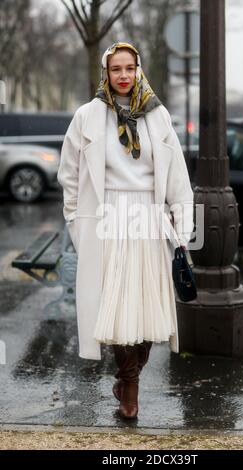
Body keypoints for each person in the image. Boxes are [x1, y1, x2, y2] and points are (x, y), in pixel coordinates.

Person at [57, 42, 194, 419]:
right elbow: (69, 173)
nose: (123, 75)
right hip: (107, 219)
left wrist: (182, 227)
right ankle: (129, 393)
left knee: (152, 310)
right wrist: (74, 219)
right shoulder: (87, 115)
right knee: (117, 310)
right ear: (106, 72)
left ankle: (127, 378)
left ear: (138, 70)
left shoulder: (158, 115)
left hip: (149, 218)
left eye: (129, 68)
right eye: (116, 69)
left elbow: (178, 175)